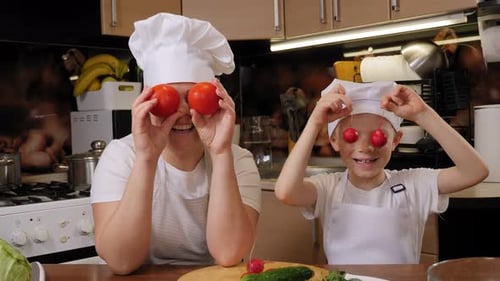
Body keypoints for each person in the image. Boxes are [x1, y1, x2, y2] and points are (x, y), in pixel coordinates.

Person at [90, 13, 261, 275]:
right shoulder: (120, 156)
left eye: (196, 98)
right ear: (146, 103)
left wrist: (221, 152)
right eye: (167, 100)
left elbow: (229, 254)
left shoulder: (238, 160)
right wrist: (147, 158)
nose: (183, 112)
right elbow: (121, 262)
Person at [274, 79, 488, 264]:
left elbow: (475, 171)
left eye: (378, 137)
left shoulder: (413, 184)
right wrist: (315, 122)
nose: (366, 148)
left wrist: (424, 115)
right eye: (351, 136)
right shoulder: (329, 187)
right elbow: (286, 192)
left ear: (395, 141)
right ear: (334, 141)